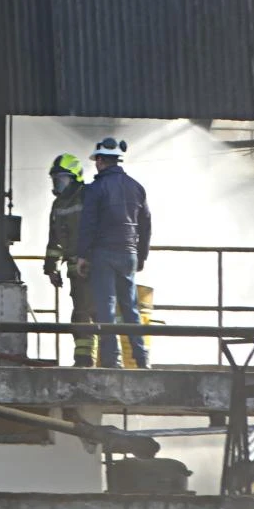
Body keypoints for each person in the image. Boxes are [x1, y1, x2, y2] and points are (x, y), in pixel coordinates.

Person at [76, 137, 151, 369]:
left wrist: (82, 255)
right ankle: (141, 359)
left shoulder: (96, 189)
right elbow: (146, 224)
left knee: (106, 307)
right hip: (128, 254)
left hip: (104, 255)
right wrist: (141, 255)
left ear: (99, 161)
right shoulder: (137, 187)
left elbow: (88, 224)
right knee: (130, 308)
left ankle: (112, 361)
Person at [43, 153, 96, 367]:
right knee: (81, 312)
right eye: (56, 180)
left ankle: (101, 358)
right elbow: (54, 240)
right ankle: (84, 358)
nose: (58, 184)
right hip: (75, 268)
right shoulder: (57, 205)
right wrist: (50, 268)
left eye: (62, 179)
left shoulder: (88, 197)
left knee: (96, 311)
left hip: (93, 265)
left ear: (75, 178)